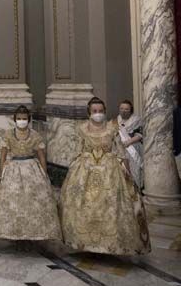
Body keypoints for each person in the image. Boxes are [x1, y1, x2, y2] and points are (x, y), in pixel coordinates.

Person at [60, 97, 151, 255]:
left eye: (101, 111)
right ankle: (85, 242)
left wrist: (128, 172)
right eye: (95, 111)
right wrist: (72, 170)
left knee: (111, 207)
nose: (98, 114)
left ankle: (110, 243)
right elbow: (77, 150)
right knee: (83, 205)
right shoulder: (81, 128)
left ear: (105, 111)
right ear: (89, 112)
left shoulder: (112, 128)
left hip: (110, 170)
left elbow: (121, 151)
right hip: (85, 170)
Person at [0, 106, 61, 242]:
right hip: (13, 169)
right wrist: (2, 171)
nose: (21, 121)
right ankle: (14, 233)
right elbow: (3, 154)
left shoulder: (35, 135)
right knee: (13, 201)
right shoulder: (8, 134)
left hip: (32, 169)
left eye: (24, 119)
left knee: (34, 202)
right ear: (14, 120)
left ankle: (33, 233)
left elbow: (41, 155)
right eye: (19, 118)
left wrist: (43, 172)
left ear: (28, 120)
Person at [116, 100, 144, 189]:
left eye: (126, 109)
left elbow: (140, 135)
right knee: (122, 171)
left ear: (131, 110)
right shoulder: (118, 119)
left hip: (133, 148)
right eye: (122, 108)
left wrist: (129, 142)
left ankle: (136, 191)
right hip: (120, 149)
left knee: (134, 170)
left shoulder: (136, 119)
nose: (123, 111)